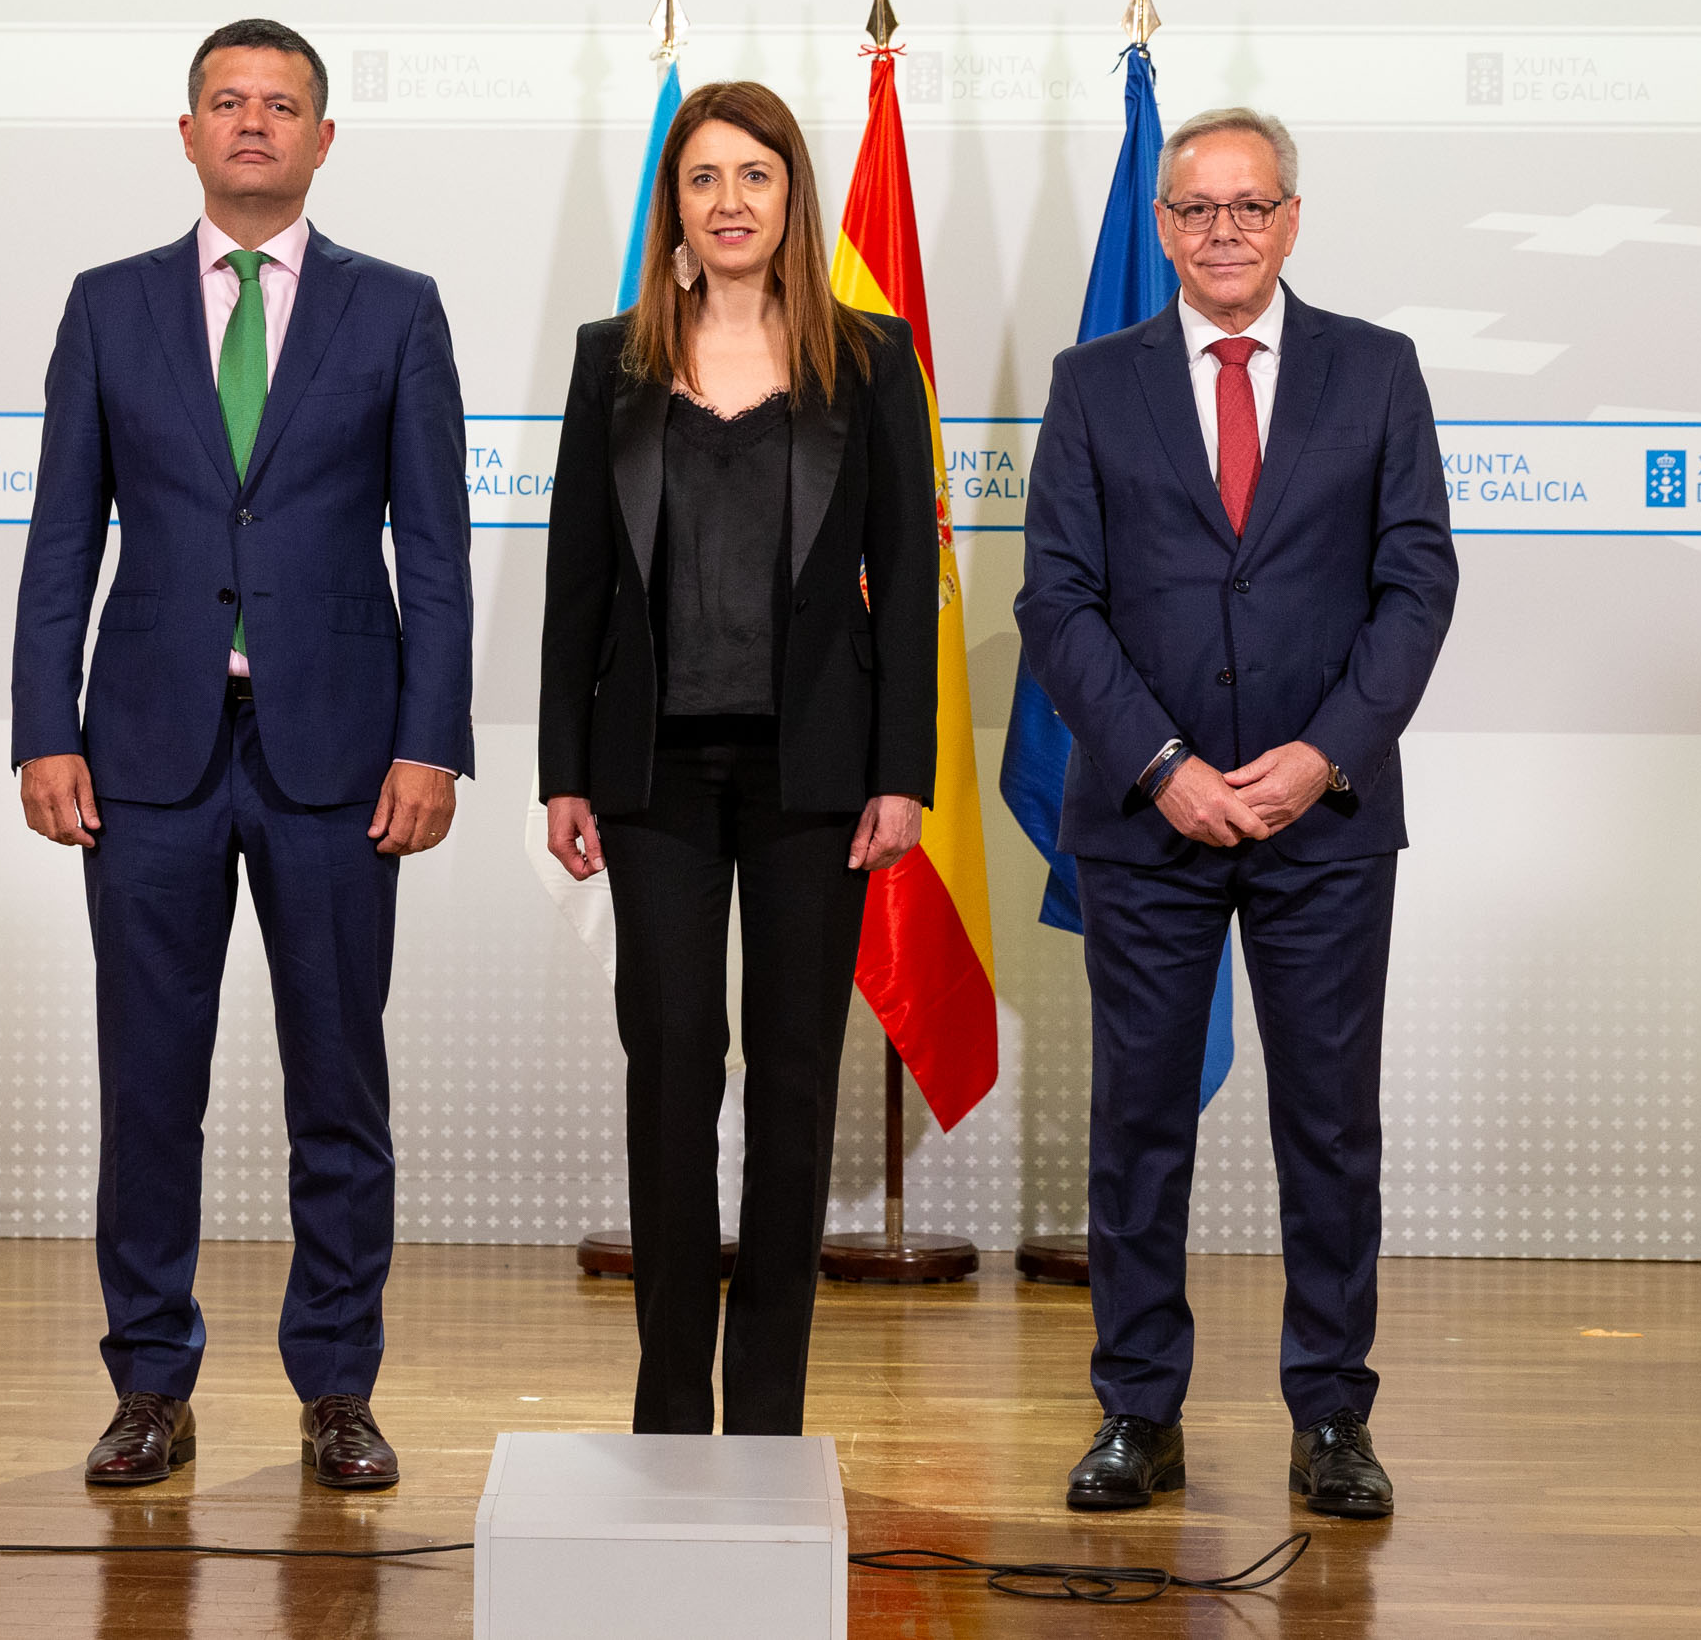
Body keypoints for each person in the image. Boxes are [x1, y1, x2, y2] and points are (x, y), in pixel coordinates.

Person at [10, 18, 472, 1490]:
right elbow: (61, 538)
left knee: (339, 1085)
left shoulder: (397, 311)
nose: (254, 122)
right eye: (228, 101)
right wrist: (42, 728)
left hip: (337, 753)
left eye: (282, 104)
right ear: (189, 131)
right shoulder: (109, 305)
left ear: (324, 139)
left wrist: (431, 745)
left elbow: (436, 554)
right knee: (151, 1084)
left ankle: (338, 1388)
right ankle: (149, 1383)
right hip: (146, 752)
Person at [1015, 107, 1457, 1519]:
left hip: (1325, 821)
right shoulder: (1093, 384)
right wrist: (1163, 766)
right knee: (1139, 1128)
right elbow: (1056, 602)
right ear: (1162, 228)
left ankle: (1331, 1417)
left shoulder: (1375, 371)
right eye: (1197, 209)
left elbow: (1417, 587)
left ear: (1291, 218)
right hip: (1148, 821)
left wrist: (1322, 755)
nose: (1224, 231)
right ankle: (1137, 1412)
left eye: (1249, 205)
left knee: (1328, 1131)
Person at [539, 80, 937, 1437]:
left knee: (793, 1077)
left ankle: (766, 1408)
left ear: (791, 198)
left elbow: (908, 582)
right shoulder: (612, 360)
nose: (728, 201)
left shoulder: (870, 359)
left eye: (754, 176)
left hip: (814, 779)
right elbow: (576, 583)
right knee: (669, 1068)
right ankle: (667, 1402)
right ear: (675, 205)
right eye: (703, 178)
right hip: (649, 777)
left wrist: (901, 771)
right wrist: (561, 769)